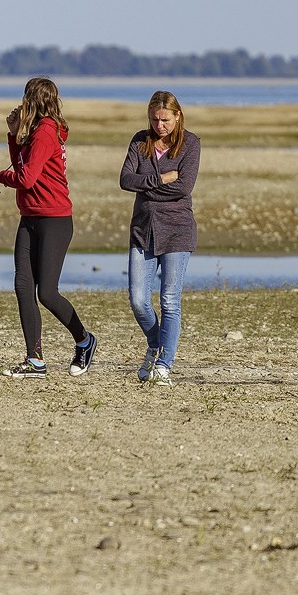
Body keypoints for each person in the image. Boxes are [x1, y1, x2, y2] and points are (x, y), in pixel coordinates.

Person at [0, 77, 96, 378]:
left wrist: (1, 176)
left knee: (47, 293)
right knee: (23, 285)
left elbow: (24, 179)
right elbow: (23, 167)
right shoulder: (35, 133)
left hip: (55, 221)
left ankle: (85, 340)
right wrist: (13, 136)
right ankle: (34, 360)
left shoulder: (47, 132)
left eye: (25, 98)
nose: (21, 104)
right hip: (30, 218)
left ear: (32, 101)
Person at [119, 90, 201, 386]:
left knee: (169, 300)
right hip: (143, 229)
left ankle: (164, 364)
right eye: (154, 119)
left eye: (165, 120)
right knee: (139, 300)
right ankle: (157, 344)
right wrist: (160, 179)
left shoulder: (190, 144)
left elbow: (183, 187)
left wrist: (146, 187)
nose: (159, 125)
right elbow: (126, 180)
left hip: (177, 229)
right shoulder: (140, 140)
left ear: (177, 116)